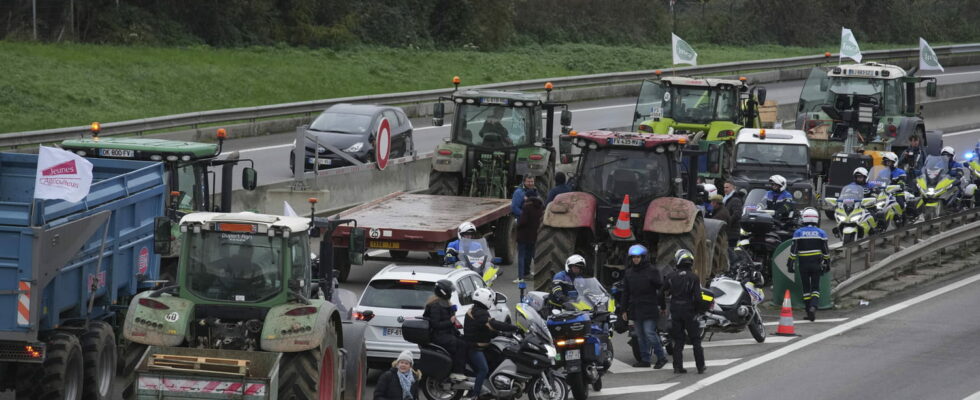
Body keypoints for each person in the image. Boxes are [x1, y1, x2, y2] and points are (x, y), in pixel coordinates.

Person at [463, 288, 519, 399]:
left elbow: (487, 329)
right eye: (490, 300)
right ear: (485, 299)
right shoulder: (479, 312)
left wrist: (502, 334)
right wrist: (514, 327)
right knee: (483, 369)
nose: (491, 302)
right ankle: (475, 395)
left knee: (499, 357)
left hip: (481, 345)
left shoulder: (477, 310)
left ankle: (494, 388)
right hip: (474, 347)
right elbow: (494, 324)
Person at [619, 244, 668, 369]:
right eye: (633, 257)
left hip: (649, 307)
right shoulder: (629, 273)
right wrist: (623, 309)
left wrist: (662, 306)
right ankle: (645, 359)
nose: (635, 259)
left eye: (638, 257)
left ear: (643, 257)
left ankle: (661, 357)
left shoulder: (652, 271)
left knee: (650, 333)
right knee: (640, 336)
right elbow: (626, 292)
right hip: (635, 308)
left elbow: (660, 290)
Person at [662, 249, 706, 374]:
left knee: (678, 340)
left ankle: (677, 367)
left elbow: (661, 293)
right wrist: (699, 310)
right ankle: (700, 366)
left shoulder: (671, 276)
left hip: (675, 310)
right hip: (689, 311)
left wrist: (663, 307)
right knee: (696, 339)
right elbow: (698, 297)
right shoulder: (694, 277)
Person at [788, 208, 831, 322]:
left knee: (806, 288)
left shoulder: (798, 233)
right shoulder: (821, 233)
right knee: (815, 288)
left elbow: (793, 251)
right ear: (816, 219)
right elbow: (826, 251)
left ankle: (808, 311)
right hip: (816, 263)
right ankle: (813, 307)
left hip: (803, 263)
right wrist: (827, 262)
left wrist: (790, 263)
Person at [422, 280, 467, 381]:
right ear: (444, 292)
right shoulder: (435, 306)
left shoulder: (445, 304)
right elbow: (436, 324)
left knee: (465, 341)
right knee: (460, 344)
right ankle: (457, 372)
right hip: (438, 336)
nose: (451, 294)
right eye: (450, 292)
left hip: (445, 334)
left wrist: (458, 333)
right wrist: (450, 322)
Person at [515, 190, 544, 283]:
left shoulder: (527, 207)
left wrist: (517, 225)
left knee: (521, 256)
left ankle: (520, 277)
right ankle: (533, 273)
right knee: (531, 254)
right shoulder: (540, 207)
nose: (524, 198)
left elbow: (523, 221)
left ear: (528, 197)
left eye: (525, 196)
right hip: (534, 235)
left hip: (524, 235)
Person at [881, 152, 908, 219]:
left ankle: (904, 218)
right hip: (884, 194)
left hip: (897, 193)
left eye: (889, 162)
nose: (887, 163)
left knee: (901, 204)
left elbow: (902, 182)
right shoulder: (882, 172)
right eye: (886, 162)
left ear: (894, 162)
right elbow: (877, 182)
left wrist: (900, 184)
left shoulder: (900, 172)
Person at [722, 182, 744, 247]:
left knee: (730, 252)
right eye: (724, 187)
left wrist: (727, 223)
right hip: (728, 232)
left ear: (733, 188)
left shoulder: (735, 199)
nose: (725, 189)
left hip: (732, 232)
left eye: (727, 187)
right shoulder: (726, 199)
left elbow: (737, 215)